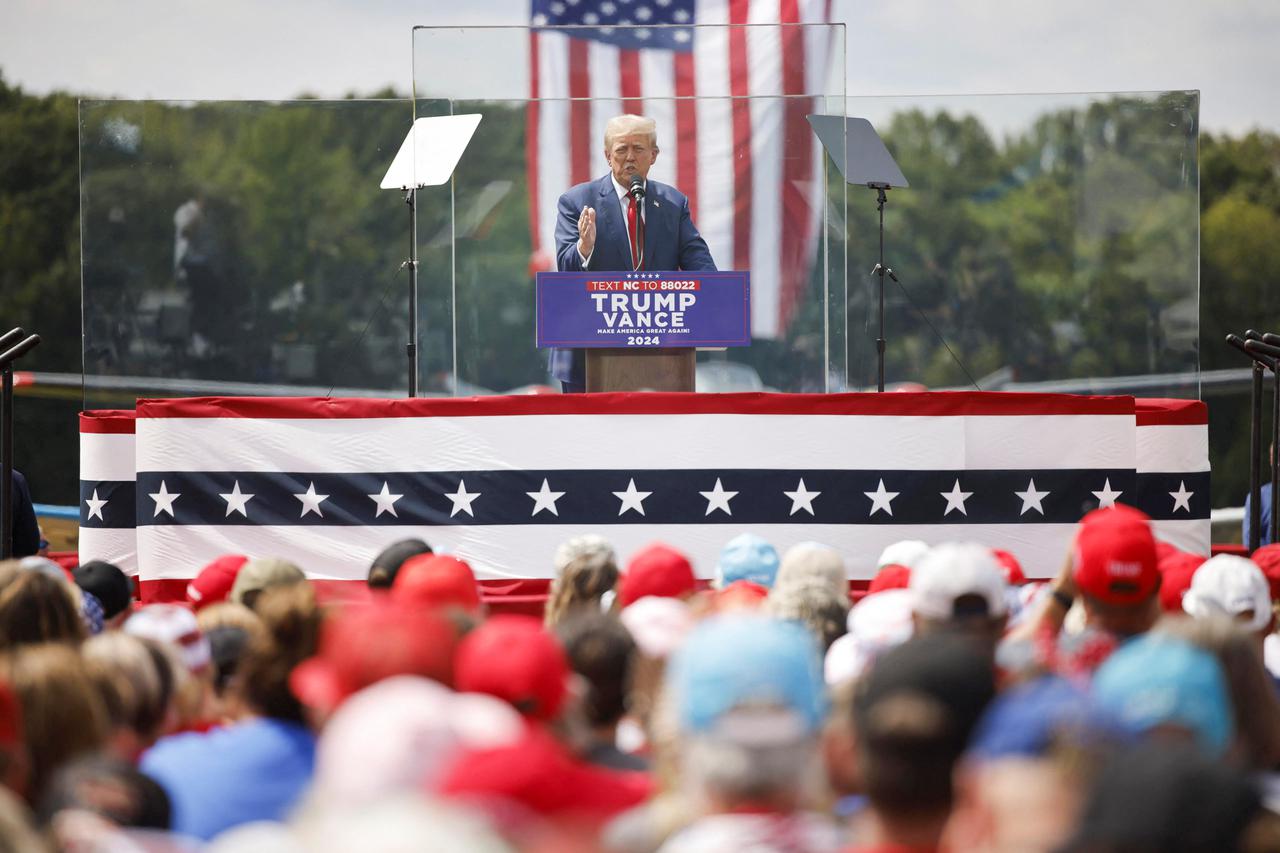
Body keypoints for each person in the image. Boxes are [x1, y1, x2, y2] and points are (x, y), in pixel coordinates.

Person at [551, 114, 716, 393]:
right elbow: (565, 272)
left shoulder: (673, 204)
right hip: (587, 355)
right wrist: (584, 248)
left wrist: (716, 295)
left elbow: (701, 266)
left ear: (653, 155)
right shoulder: (577, 202)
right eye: (621, 150)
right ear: (607, 155)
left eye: (638, 149)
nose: (629, 158)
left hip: (662, 356)